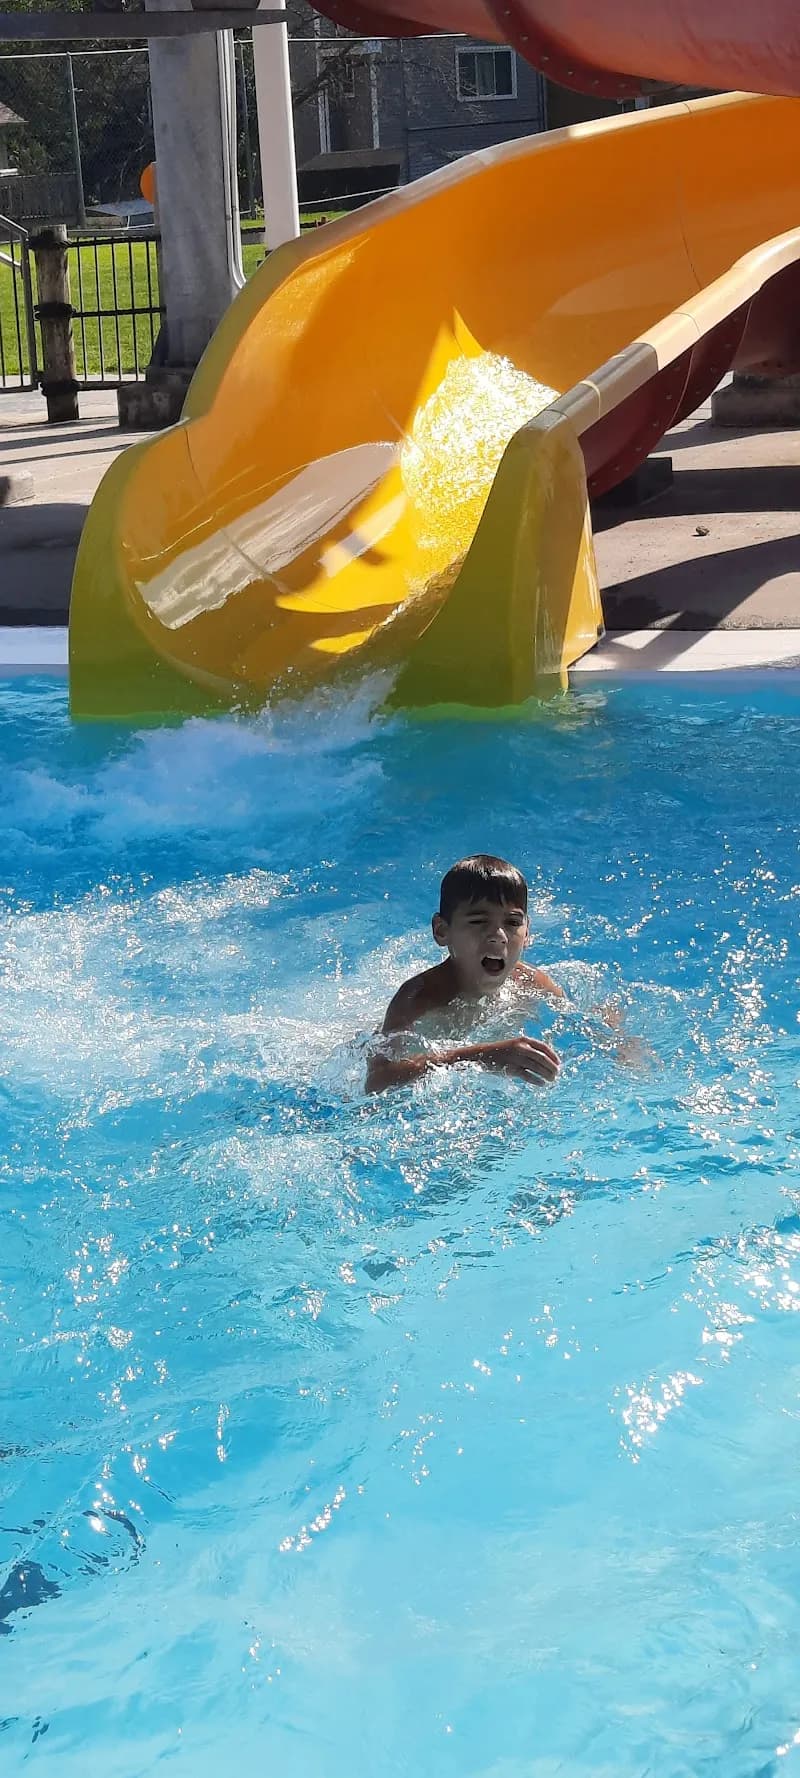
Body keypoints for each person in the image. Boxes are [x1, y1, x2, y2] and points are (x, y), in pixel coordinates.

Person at [366, 853, 564, 1094]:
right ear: (441, 931)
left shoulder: (529, 982)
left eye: (512, 923)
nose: (499, 935)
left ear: (527, 932)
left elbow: (589, 1013)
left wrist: (621, 1047)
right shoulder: (419, 999)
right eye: (479, 921)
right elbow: (377, 1081)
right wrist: (482, 1056)